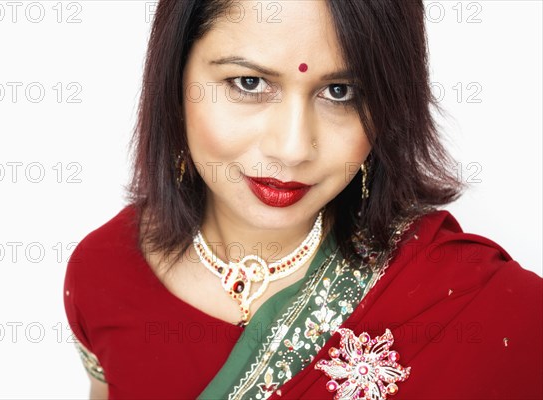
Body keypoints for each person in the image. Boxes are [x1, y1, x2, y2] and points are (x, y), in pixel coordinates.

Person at [63, 1, 543, 399]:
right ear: (174, 80)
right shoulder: (105, 273)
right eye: (249, 83)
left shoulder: (485, 307)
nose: (292, 148)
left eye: (340, 91)